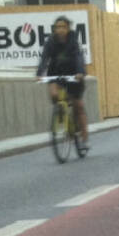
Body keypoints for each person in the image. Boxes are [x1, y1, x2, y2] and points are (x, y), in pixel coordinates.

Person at [35, 15, 87, 151]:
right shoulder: (50, 42)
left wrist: (80, 72)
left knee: (78, 106)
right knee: (54, 95)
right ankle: (60, 113)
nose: (60, 30)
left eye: (63, 27)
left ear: (68, 28)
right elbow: (44, 58)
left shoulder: (74, 41)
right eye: (58, 27)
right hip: (56, 73)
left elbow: (78, 57)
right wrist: (39, 74)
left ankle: (83, 136)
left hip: (73, 74)